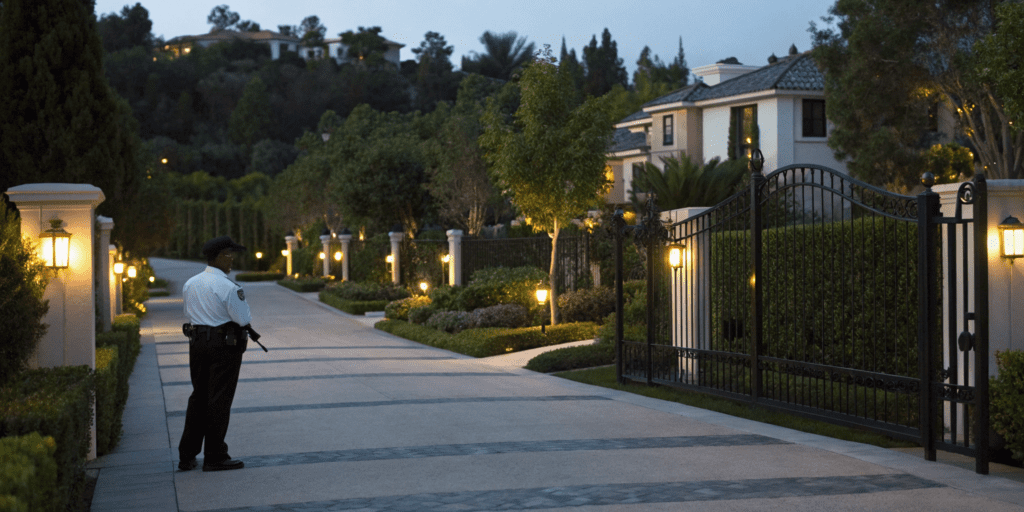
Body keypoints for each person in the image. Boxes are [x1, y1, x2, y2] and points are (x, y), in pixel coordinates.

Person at [178, 236, 254, 472]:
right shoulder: (228, 287)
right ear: (219, 257)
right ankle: (215, 455)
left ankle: (187, 455)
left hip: (197, 343)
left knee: (199, 397)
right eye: (229, 255)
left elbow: (189, 312)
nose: (232, 260)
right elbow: (243, 318)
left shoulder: (191, 283)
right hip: (224, 346)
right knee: (219, 398)